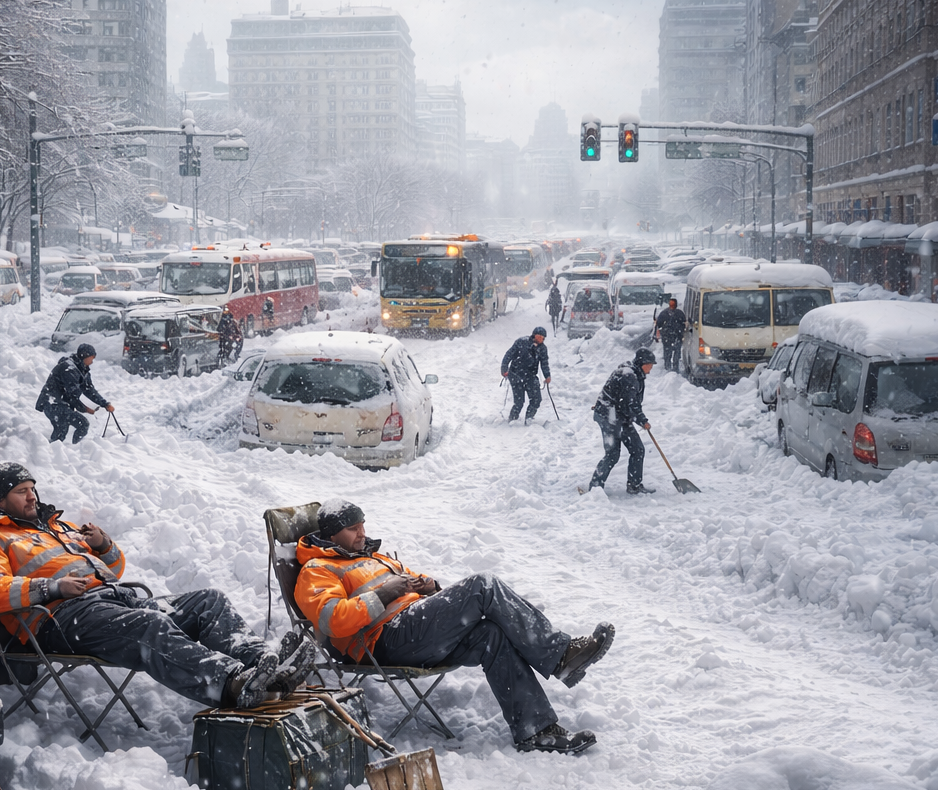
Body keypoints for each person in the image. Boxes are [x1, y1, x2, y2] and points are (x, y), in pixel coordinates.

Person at [0, 463, 309, 709]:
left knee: (209, 601)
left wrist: (103, 545)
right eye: (22, 492)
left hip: (112, 601)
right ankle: (232, 683)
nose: (33, 497)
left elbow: (113, 569)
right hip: (60, 619)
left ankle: (266, 665)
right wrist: (52, 589)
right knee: (149, 627)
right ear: (0, 500)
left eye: (33, 489)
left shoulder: (55, 528)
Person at [294, 501, 613, 754]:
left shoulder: (375, 557)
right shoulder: (317, 569)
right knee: (483, 585)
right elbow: (332, 620)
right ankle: (560, 656)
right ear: (332, 534)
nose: (362, 533)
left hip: (417, 631)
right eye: (353, 529)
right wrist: (385, 592)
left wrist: (430, 586)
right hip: (384, 641)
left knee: (492, 635)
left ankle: (535, 730)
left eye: (363, 525)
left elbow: (415, 585)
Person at [588, 348, 656, 494]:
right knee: (613, 454)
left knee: (637, 449)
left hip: (620, 416)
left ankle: (634, 485)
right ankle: (595, 487)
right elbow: (630, 403)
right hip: (609, 417)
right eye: (650, 364)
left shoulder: (634, 374)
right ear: (643, 363)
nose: (651, 368)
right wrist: (642, 420)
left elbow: (624, 400)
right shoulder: (629, 375)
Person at [36, 343, 113, 443]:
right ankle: (72, 451)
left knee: (63, 430)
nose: (92, 362)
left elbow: (89, 389)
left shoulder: (81, 369)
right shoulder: (69, 369)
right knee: (80, 425)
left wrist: (104, 404)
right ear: (84, 356)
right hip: (52, 403)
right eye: (92, 358)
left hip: (60, 404)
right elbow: (73, 394)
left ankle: (62, 451)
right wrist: (85, 409)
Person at [500, 326, 552, 424]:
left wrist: (547, 376)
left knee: (536, 399)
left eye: (543, 338)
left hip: (531, 375)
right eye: (539, 336)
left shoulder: (543, 349)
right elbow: (509, 355)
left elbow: (544, 363)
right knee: (519, 402)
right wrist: (504, 368)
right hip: (516, 374)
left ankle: (529, 418)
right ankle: (513, 419)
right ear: (534, 335)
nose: (541, 339)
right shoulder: (521, 342)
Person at [654, 297, 687, 375]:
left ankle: (674, 368)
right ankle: (668, 368)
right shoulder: (665, 313)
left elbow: (684, 324)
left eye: (673, 303)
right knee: (668, 353)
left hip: (675, 337)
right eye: (671, 303)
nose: (672, 305)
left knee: (675, 353)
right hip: (669, 337)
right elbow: (658, 325)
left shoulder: (679, 313)